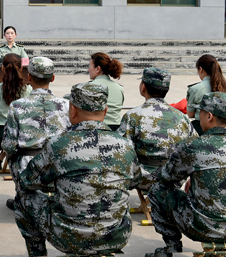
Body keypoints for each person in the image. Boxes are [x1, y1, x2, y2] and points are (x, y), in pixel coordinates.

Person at [15, 82, 141, 257]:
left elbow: (26, 182)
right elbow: (135, 181)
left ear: (72, 110)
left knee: (23, 198)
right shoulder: (126, 145)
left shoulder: (59, 144)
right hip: (116, 237)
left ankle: (38, 254)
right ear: (105, 112)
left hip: (68, 237)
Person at [146, 92, 226, 257]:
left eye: (200, 112)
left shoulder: (192, 146)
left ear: (209, 116)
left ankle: (172, 248)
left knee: (157, 191)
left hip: (202, 227)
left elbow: (166, 178)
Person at [2, 56, 70, 210]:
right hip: (58, 166)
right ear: (52, 78)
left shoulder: (17, 106)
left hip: (28, 167)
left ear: (29, 77)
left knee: (12, 153)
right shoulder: (66, 105)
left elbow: (9, 145)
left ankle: (22, 196)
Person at [116, 67, 195, 189]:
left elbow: (121, 150)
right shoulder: (182, 118)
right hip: (173, 178)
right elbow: (193, 148)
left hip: (141, 178)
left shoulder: (133, 116)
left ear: (143, 87)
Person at [0, 53, 31, 174]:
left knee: (5, 134)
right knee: (14, 133)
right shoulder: (28, 90)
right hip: (23, 136)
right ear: (22, 68)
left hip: (1, 136)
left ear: (2, 68)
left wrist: (0, 124)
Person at [187, 54, 226, 135]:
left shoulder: (195, 89)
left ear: (200, 69)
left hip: (200, 130)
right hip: (225, 131)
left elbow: (190, 114)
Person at [89, 52, 125, 131]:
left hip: (97, 129)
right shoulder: (119, 88)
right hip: (116, 130)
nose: (88, 69)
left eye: (90, 66)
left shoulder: (88, 87)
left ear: (98, 69)